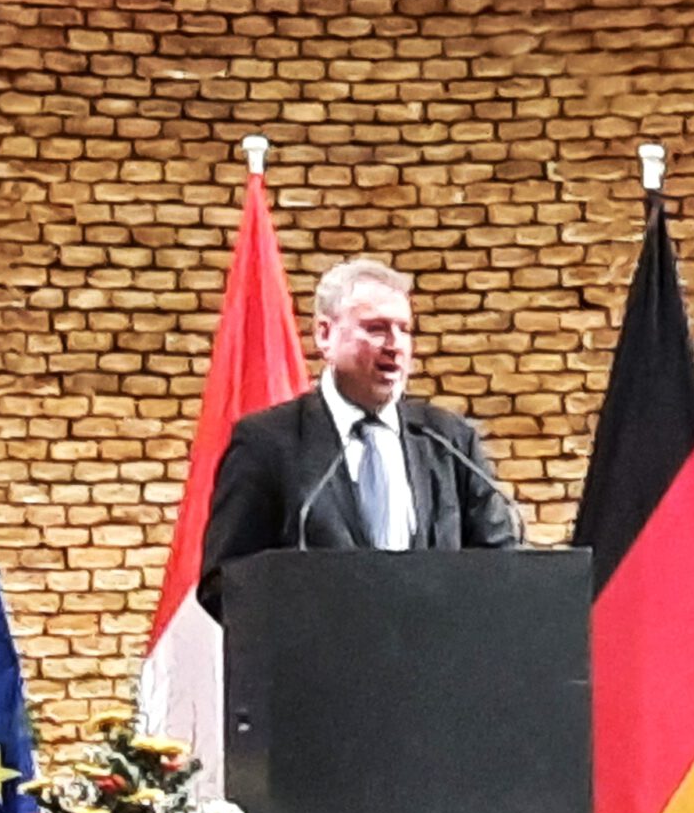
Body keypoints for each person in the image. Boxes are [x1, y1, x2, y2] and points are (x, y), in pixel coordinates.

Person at [198, 258, 516, 619]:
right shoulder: (267, 443)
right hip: (319, 653)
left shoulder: (450, 441)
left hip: (439, 650)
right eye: (376, 328)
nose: (395, 345)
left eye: (404, 330)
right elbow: (225, 581)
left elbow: (503, 566)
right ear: (324, 334)